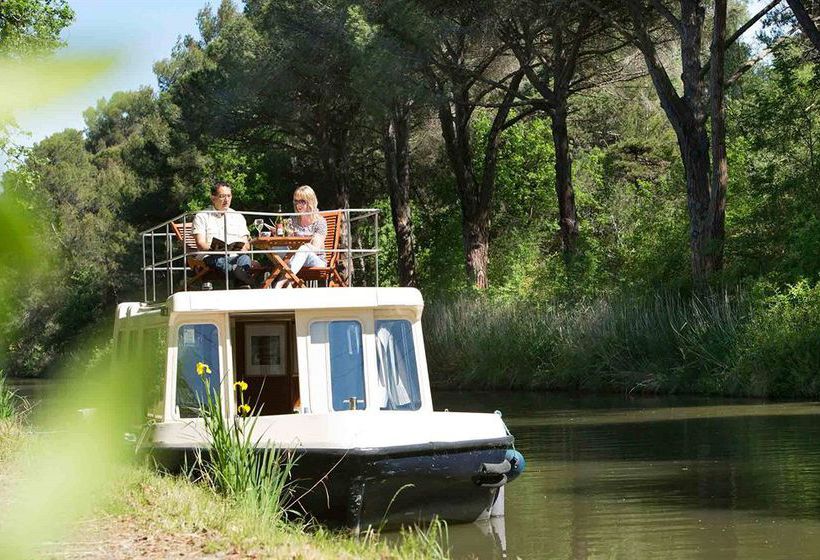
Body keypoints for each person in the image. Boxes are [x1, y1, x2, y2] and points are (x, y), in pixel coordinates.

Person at [192, 181, 254, 287]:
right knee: (218, 260)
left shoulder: (238, 216)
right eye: (222, 196)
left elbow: (246, 244)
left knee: (245, 258)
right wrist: (215, 250)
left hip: (235, 255)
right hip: (212, 255)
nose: (226, 200)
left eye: (229, 196)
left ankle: (240, 277)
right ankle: (244, 279)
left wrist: (241, 248)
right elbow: (200, 243)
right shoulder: (202, 216)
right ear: (213, 198)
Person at [275, 185, 327, 288]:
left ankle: (280, 283)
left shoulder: (320, 222)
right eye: (296, 201)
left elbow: (315, 248)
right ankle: (289, 283)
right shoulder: (292, 220)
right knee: (276, 247)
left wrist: (300, 243)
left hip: (316, 260)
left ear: (310, 201)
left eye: (302, 201)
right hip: (295, 259)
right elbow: (289, 244)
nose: (299, 205)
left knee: (304, 248)